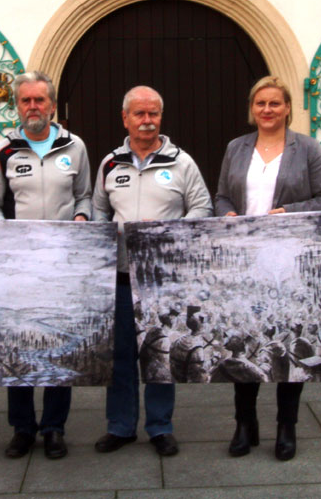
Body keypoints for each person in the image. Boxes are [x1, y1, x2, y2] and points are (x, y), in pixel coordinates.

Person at [215, 75, 321, 461]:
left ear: (288, 108)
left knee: (288, 343)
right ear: (252, 109)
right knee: (245, 343)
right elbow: (220, 195)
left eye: (275, 104)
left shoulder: (307, 149)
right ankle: (244, 423)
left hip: (289, 262)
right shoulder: (237, 148)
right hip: (246, 262)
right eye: (260, 104)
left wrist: (290, 212)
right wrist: (228, 215)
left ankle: (286, 426)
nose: (267, 110)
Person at [92, 85, 213, 457]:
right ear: (125, 118)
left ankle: (160, 427)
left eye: (153, 114)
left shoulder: (182, 162)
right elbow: (99, 211)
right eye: (139, 114)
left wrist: (167, 235)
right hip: (122, 276)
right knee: (122, 354)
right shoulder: (111, 163)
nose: (147, 121)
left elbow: (202, 209)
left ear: (161, 117)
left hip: (165, 280)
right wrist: (107, 231)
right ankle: (121, 426)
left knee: (159, 354)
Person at [0, 71, 92, 460]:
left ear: (52, 105)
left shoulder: (74, 146)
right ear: (18, 105)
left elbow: (85, 197)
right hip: (20, 266)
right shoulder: (5, 150)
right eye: (26, 100)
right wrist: (3, 233)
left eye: (40, 100)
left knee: (58, 345)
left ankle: (54, 427)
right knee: (18, 345)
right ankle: (23, 428)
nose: (33, 107)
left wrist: (82, 218)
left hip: (61, 265)